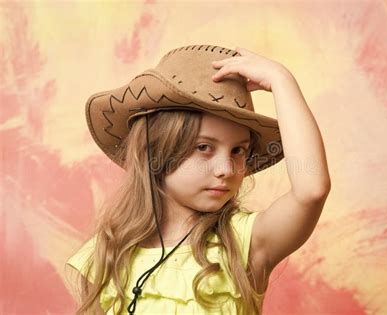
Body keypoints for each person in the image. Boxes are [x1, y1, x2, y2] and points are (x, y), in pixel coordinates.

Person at [64, 44, 331, 315]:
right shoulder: (109, 251)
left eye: (238, 150)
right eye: (204, 147)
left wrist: (281, 80)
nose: (226, 169)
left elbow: (311, 191)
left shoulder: (245, 243)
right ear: (155, 149)